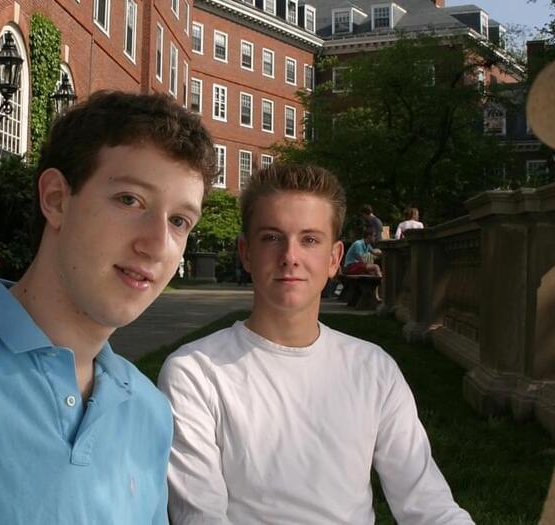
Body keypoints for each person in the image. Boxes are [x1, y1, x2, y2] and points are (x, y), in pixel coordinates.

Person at [0, 91, 217, 524]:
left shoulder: (150, 413)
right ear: (57, 199)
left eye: (179, 221)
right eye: (130, 200)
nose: (157, 244)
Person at [158, 164, 473, 525]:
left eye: (309, 240)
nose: (290, 256)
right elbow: (201, 517)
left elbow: (428, 504)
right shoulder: (195, 373)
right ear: (246, 253)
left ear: (335, 258)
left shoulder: (373, 369)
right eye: (272, 237)